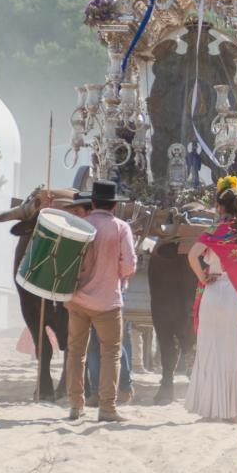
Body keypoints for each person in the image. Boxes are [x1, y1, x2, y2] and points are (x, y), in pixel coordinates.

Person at [185, 176, 237, 421]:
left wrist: (202, 276)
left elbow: (192, 255)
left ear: (219, 207)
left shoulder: (213, 231)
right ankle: (233, 410)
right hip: (235, 295)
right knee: (233, 350)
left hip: (213, 291)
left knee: (209, 349)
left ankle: (210, 409)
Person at [66, 180, 137, 422]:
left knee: (76, 352)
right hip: (107, 302)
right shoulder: (121, 228)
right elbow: (129, 266)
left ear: (93, 203)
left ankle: (76, 405)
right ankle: (107, 408)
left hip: (77, 300)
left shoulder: (80, 225)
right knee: (111, 353)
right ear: (114, 205)